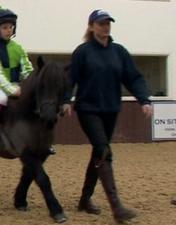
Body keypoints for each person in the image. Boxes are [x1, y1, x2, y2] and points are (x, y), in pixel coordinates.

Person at [63, 10, 153, 223]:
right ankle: (116, 207)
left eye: (108, 23)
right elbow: (70, 78)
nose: (105, 27)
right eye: (101, 23)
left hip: (111, 110)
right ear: (92, 26)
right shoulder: (82, 52)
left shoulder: (119, 52)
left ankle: (84, 200)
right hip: (88, 110)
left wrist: (144, 100)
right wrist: (66, 100)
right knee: (104, 151)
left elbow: (133, 78)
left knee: (98, 154)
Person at [0, 6, 33, 156]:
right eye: (5, 27)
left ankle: (41, 140)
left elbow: (27, 70)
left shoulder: (19, 48)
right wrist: (12, 90)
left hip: (17, 86)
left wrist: (31, 85)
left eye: (11, 27)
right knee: (1, 100)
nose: (8, 30)